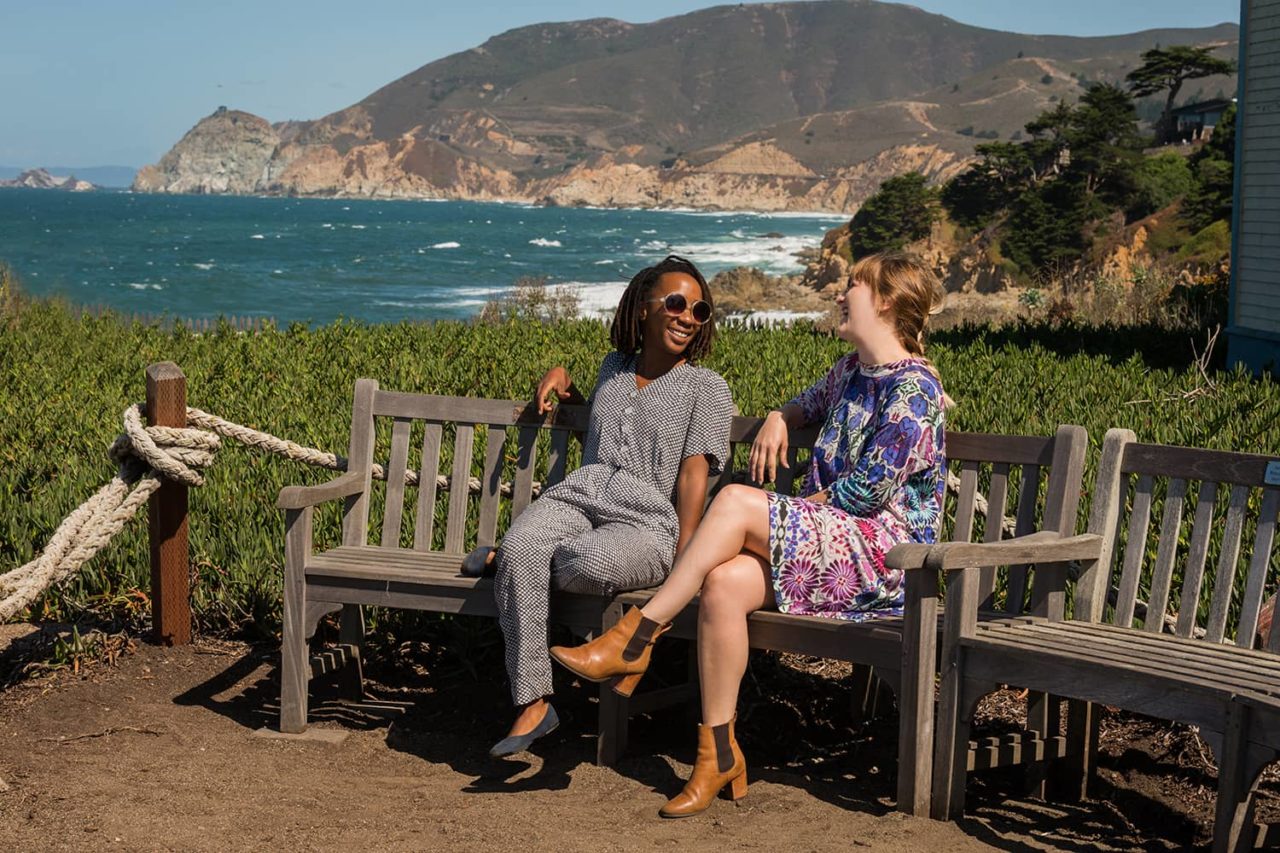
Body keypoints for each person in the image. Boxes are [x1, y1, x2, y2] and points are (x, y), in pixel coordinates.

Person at [550, 251, 947, 817]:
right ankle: (716, 755)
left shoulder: (915, 392)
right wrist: (782, 417)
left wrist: (789, 506)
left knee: (736, 499)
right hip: (829, 545)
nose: (841, 294)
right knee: (722, 586)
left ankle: (637, 638)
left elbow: (867, 493)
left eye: (853, 286)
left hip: (884, 559)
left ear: (884, 301)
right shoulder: (850, 371)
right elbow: (805, 403)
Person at [479, 255, 734, 759]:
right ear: (644, 308)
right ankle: (535, 701)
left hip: (649, 522)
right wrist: (561, 380)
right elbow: (594, 409)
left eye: (699, 310)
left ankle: (502, 562)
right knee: (526, 544)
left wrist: (686, 564)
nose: (687, 317)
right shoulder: (613, 367)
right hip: (582, 493)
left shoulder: (707, 388)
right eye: (677, 303)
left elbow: (693, 477)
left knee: (574, 561)